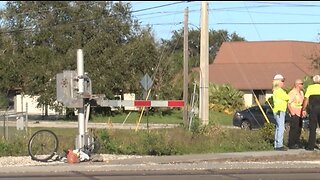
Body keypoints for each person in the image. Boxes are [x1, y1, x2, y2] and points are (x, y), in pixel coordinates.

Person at [301, 74, 320, 151]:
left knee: (312, 128)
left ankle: (311, 146)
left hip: (313, 109)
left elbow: (306, 99)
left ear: (313, 81)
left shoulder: (310, 88)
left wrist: (304, 109)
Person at [272, 74, 289, 151]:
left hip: (277, 111)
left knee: (278, 127)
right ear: (278, 81)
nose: (283, 83)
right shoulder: (279, 91)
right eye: (282, 81)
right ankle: (279, 145)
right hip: (280, 111)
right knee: (281, 127)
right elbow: (287, 98)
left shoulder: (275, 90)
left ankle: (277, 144)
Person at [287, 79, 304, 149]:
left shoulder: (301, 92)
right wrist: (291, 112)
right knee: (294, 128)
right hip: (294, 112)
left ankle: (297, 142)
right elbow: (288, 103)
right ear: (297, 84)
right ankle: (291, 143)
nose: (302, 85)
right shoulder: (292, 92)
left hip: (300, 112)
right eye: (301, 84)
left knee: (299, 128)